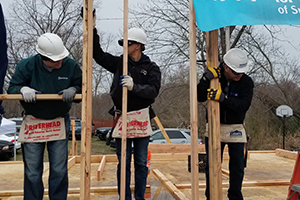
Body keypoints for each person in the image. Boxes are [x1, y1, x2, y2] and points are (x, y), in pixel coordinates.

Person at [8, 33, 82, 200]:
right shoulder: (27, 66)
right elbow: (12, 87)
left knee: (59, 169)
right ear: (43, 58)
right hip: (34, 120)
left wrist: (75, 90)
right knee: (33, 170)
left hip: (58, 120)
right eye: (55, 60)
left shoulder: (71, 66)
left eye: (61, 58)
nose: (60, 62)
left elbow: (81, 85)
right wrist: (22, 90)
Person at [93, 24, 161, 199]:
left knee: (140, 162)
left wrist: (134, 87)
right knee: (123, 162)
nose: (124, 47)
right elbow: (98, 55)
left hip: (140, 118)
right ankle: (124, 197)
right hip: (122, 116)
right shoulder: (119, 63)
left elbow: (153, 91)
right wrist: (93, 28)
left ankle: (139, 197)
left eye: (127, 44)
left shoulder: (151, 68)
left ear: (137, 45)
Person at [197, 48, 254, 200]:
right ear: (226, 68)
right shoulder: (216, 76)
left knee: (237, 167)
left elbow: (244, 105)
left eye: (241, 72)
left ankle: (235, 196)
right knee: (212, 166)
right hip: (215, 125)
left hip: (235, 126)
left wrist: (224, 99)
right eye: (236, 72)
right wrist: (205, 79)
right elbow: (199, 96)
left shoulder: (246, 82)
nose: (239, 75)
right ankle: (212, 195)